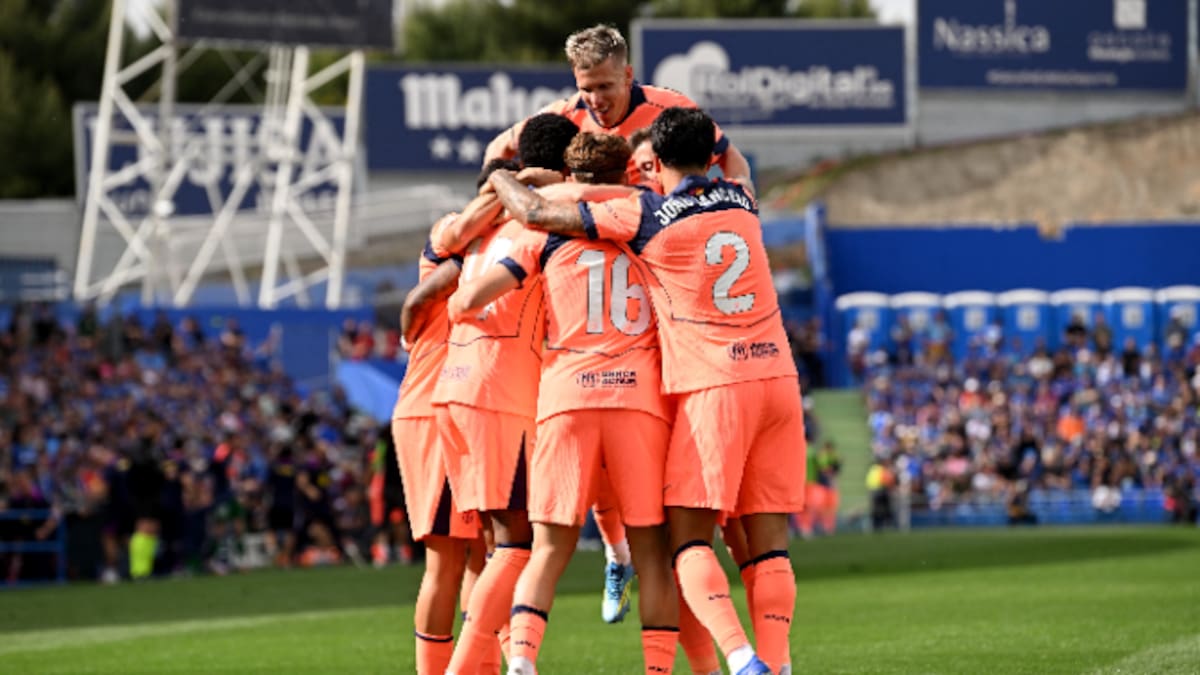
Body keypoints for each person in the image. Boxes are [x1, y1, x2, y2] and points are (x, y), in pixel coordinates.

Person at [488, 107, 803, 675]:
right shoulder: (744, 196)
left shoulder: (644, 213)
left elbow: (535, 214)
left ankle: (739, 659)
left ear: (653, 163)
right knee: (769, 547)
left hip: (709, 386)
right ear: (711, 156)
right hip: (777, 378)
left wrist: (502, 173)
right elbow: (738, 159)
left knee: (686, 544)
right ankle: (777, 665)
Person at [448, 132, 679, 675]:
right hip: (636, 399)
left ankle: (522, 662)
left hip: (567, 397)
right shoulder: (646, 217)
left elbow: (467, 300)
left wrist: (463, 308)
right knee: (653, 553)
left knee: (547, 548)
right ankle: (658, 670)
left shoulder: (542, 229)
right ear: (625, 171)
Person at [413, 113, 581, 675]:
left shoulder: (475, 224)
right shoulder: (540, 226)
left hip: (453, 390)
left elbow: (446, 248)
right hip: (497, 392)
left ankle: (493, 662)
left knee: (487, 549)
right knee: (516, 545)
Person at [483, 24, 752, 192]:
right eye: (586, 89)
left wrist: (742, 199)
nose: (596, 100)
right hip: (590, 239)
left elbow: (730, 158)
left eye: (605, 87)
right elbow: (498, 147)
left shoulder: (671, 109)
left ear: (627, 75)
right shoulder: (561, 117)